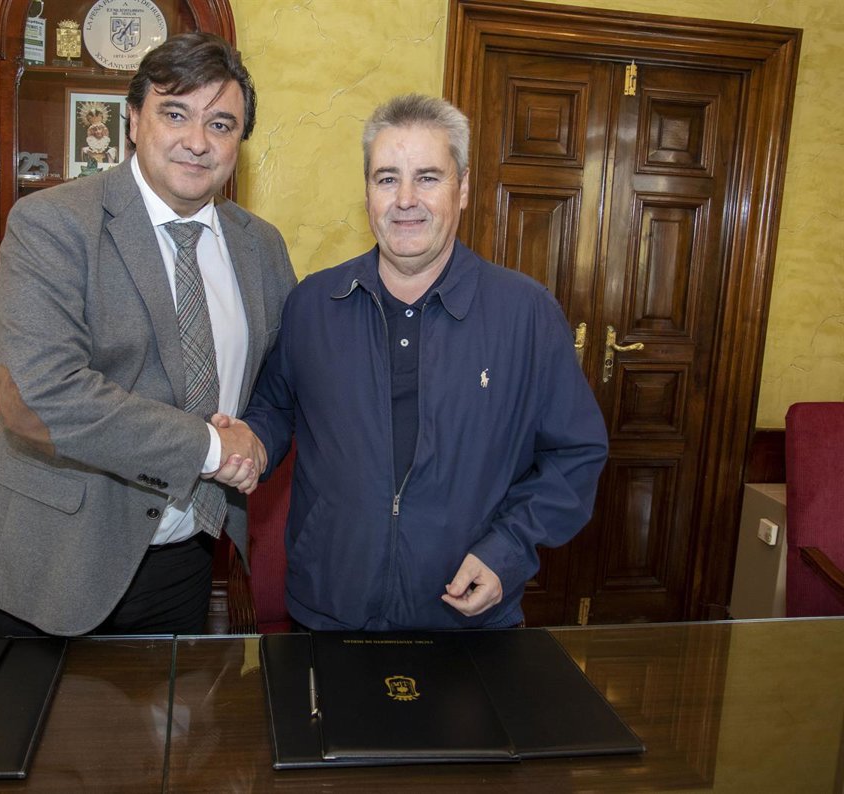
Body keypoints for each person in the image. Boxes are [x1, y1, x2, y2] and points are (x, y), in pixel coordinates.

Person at [0, 32, 297, 637]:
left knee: (170, 705)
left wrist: (258, 443)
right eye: (176, 114)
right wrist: (213, 450)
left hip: (188, 556)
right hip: (56, 557)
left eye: (221, 124)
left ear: (238, 143)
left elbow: (281, 382)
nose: (198, 141)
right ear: (134, 120)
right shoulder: (52, 223)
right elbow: (40, 397)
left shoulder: (262, 247)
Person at [236, 94, 608, 631]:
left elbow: (576, 453)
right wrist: (250, 441)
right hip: (329, 615)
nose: (405, 200)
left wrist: (508, 549)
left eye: (428, 178)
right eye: (387, 179)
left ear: (463, 189)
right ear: (367, 191)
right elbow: (275, 408)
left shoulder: (526, 314)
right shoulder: (313, 304)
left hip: (465, 623)